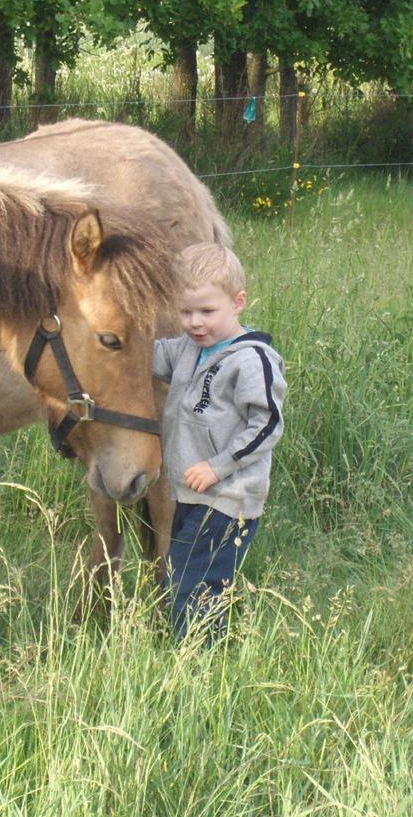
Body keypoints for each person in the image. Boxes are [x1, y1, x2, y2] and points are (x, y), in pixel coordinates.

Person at [153, 242, 286, 641]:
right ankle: (201, 645)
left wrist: (218, 466)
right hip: (192, 493)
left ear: (238, 302)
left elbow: (267, 424)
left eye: (207, 311)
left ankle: (201, 657)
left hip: (229, 497)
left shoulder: (252, 360)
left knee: (192, 582)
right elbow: (146, 355)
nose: (195, 322)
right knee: (185, 573)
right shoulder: (187, 348)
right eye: (185, 311)